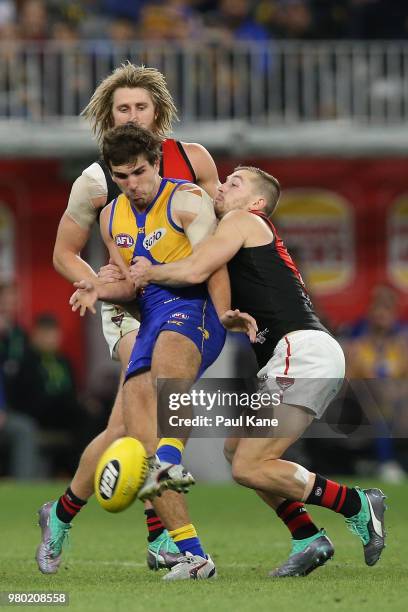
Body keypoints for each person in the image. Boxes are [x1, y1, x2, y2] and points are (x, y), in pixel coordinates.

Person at [129, 165, 387, 579]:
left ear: (257, 202)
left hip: (301, 353)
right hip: (293, 356)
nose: (222, 185)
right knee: (236, 449)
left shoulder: (242, 220)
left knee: (249, 466)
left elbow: (195, 269)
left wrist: (147, 271)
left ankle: (356, 504)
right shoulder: (242, 229)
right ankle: (307, 537)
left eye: (235, 183)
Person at [36, 62, 220, 575]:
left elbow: (223, 228)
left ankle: (66, 513)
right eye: (122, 108)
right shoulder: (97, 179)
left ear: (157, 113)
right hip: (129, 306)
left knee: (139, 418)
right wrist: (98, 281)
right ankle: (162, 536)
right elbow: (63, 252)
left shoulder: (193, 159)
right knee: (142, 415)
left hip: (185, 299)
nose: (131, 114)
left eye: (140, 106)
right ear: (107, 117)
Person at [69, 124, 255, 580]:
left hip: (195, 309)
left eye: (138, 173)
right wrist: (99, 288)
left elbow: (208, 264)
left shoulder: (187, 200)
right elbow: (131, 283)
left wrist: (226, 309)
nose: (131, 184)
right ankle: (193, 555)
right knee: (139, 440)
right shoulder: (112, 216)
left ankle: (171, 456)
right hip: (149, 315)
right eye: (121, 176)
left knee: (170, 375)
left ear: (155, 162)